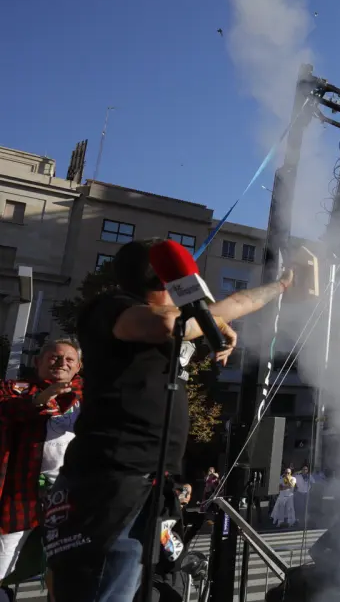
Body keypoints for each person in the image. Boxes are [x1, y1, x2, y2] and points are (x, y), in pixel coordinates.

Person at [44, 238, 291, 602]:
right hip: (112, 483)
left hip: (146, 483)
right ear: (167, 282)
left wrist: (281, 286)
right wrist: (211, 317)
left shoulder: (159, 317)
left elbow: (236, 304)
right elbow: (167, 323)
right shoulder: (110, 307)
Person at [0, 340, 84, 594]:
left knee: (71, 573)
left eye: (69, 359)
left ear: (79, 366)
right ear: (37, 362)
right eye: (54, 357)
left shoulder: (91, 397)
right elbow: (10, 410)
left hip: (73, 497)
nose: (62, 363)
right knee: (3, 559)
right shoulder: (15, 389)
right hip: (20, 494)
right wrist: (44, 398)